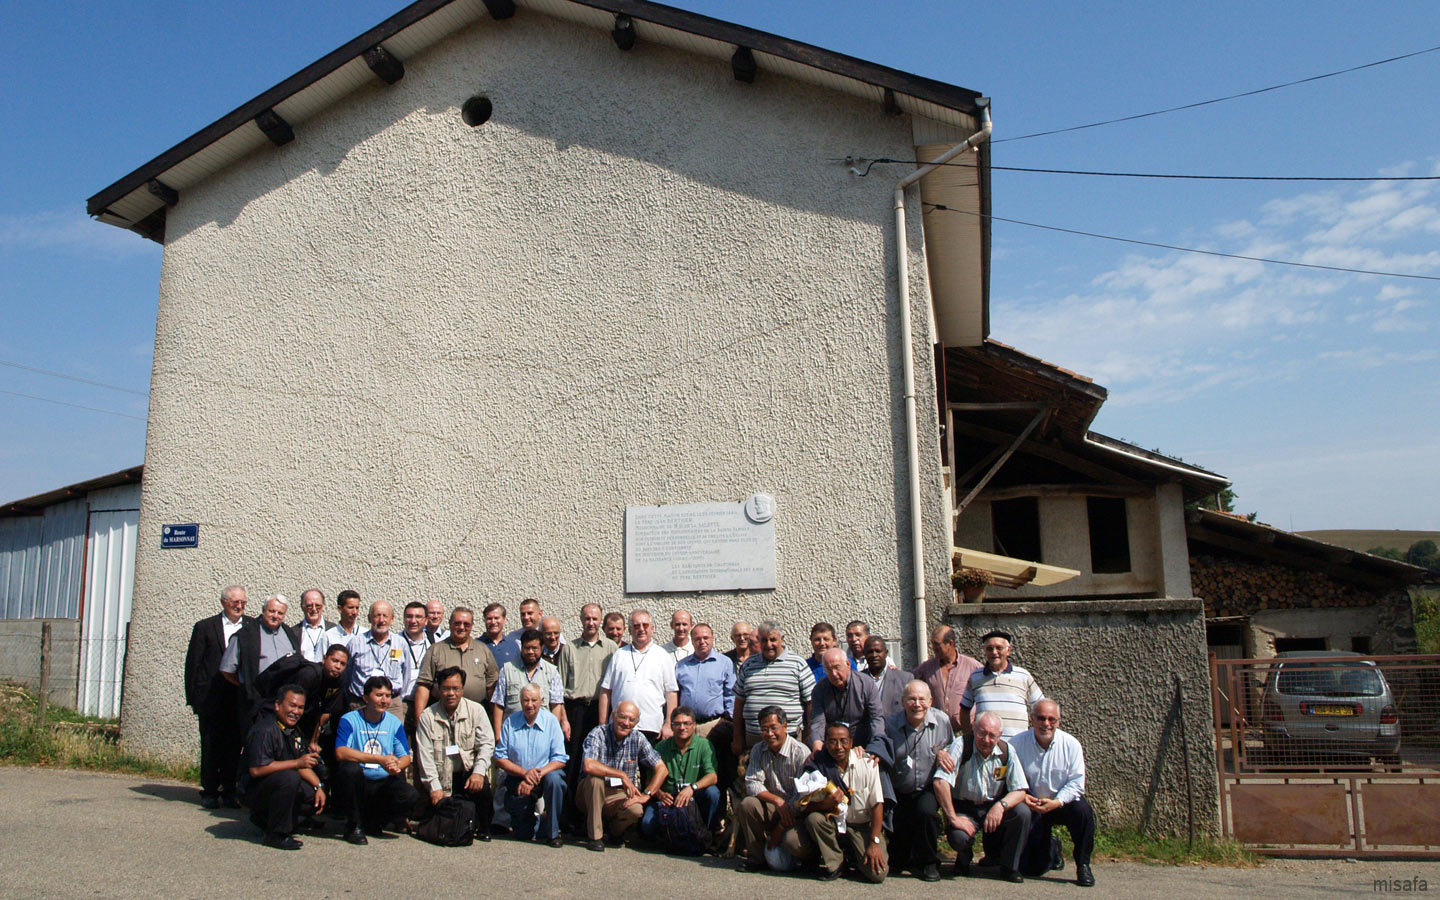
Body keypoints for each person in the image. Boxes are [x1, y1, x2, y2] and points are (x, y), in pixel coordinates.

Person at [934, 711, 1031, 882]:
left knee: (1022, 813)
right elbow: (940, 782)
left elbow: (1020, 790)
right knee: (959, 837)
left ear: (1000, 735)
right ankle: (964, 856)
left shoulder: (1007, 751)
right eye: (982, 733)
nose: (986, 740)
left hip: (992, 806)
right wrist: (953, 818)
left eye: (992, 735)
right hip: (964, 807)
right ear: (973, 729)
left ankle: (1010, 867)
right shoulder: (961, 745)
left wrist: (1001, 806)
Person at [1011, 699, 1095, 887]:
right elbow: (1010, 778)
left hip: (1061, 803)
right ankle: (1053, 848)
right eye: (1041, 718)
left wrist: (1057, 802)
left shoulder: (1071, 745)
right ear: (1032, 719)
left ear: (1059, 721)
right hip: (1032, 804)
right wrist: (1023, 796)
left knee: (1083, 812)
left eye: (1051, 719)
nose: (1046, 724)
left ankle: (1083, 865)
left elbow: (1076, 783)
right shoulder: (1016, 744)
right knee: (1032, 870)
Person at [185, 585, 251, 809]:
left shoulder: (251, 626)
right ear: (224, 602)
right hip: (211, 698)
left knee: (235, 746)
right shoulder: (205, 627)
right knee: (211, 745)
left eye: (243, 602)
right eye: (235, 603)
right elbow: (193, 663)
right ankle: (210, 790)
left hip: (238, 697)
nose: (239, 607)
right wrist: (193, 697)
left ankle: (230, 791)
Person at [333, 676, 419, 844]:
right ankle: (353, 826)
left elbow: (405, 757)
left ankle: (376, 822)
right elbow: (341, 752)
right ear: (365, 698)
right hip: (360, 781)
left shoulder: (394, 722)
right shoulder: (349, 719)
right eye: (379, 695)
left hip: (382, 781)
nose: (384, 700)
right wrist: (379, 759)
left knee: (410, 795)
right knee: (349, 769)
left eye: (387, 695)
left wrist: (395, 766)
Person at [239, 683, 325, 850]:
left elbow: (301, 763)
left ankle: (272, 820)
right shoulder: (265, 730)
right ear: (277, 705)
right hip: (252, 789)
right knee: (289, 777)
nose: (296, 711)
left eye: (300, 707)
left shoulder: (293, 730)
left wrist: (319, 787)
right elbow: (256, 770)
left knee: (311, 797)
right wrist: (296, 763)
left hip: (276, 784)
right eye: (292, 705)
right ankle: (276, 834)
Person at [800, 722, 888, 883]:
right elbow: (802, 806)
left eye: (843, 741)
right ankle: (837, 863)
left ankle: (854, 855)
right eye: (832, 741)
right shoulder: (818, 765)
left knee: (878, 874)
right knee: (815, 819)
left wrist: (874, 842)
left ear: (851, 743)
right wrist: (824, 804)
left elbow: (877, 805)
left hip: (862, 826)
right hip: (835, 823)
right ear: (825, 743)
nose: (838, 747)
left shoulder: (867, 763)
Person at [415, 667, 495, 841]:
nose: (451, 693)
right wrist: (434, 787)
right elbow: (424, 757)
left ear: (462, 689)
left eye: (455, 688)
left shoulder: (477, 710)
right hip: (441, 777)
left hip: (468, 774)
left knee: (483, 790)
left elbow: (487, 744)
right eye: (446, 688)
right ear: (438, 689)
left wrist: (479, 772)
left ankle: (484, 827)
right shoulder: (427, 717)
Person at [885, 680, 953, 882]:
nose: (917, 704)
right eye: (911, 699)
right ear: (903, 701)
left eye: (922, 699)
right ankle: (901, 857)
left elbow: (951, 748)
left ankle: (929, 862)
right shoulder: (890, 725)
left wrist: (944, 752)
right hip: (900, 786)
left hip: (927, 787)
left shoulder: (942, 721)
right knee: (897, 855)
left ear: (930, 701)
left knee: (926, 813)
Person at [579, 700, 667, 851]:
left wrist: (647, 794)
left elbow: (662, 769)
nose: (626, 723)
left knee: (636, 810)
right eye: (622, 717)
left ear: (636, 722)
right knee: (595, 780)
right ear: (613, 716)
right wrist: (621, 775)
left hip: (618, 793)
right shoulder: (598, 733)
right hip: (590, 791)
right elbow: (589, 765)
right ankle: (595, 837)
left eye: (631, 720)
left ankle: (614, 832)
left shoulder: (637, 738)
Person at [735, 705, 813, 871]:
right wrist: (777, 800)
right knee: (748, 804)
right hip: (774, 806)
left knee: (792, 842)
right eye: (764, 729)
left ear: (785, 727)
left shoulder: (800, 752)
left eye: (773, 728)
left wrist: (781, 827)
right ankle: (757, 858)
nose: (769, 734)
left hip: (797, 811)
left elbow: (803, 796)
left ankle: (808, 859)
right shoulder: (758, 749)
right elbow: (752, 783)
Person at [494, 683, 568, 846]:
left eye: (534, 700)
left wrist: (537, 775)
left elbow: (560, 759)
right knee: (523, 834)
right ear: (520, 701)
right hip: (518, 778)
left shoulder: (551, 722)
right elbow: (499, 758)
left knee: (555, 781)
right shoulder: (510, 722)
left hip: (545, 776)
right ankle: (540, 823)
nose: (530, 704)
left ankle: (553, 833)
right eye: (525, 700)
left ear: (541, 701)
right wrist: (524, 774)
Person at [564, 604, 618, 831]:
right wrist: (563, 718)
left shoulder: (612, 648)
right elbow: (560, 685)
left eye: (595, 619)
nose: (591, 622)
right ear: (581, 620)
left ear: (600, 621)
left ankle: (601, 818)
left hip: (600, 710)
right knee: (573, 762)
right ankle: (569, 818)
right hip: (575, 710)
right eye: (587, 618)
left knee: (600, 762)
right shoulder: (569, 649)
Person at [731, 621, 813, 756]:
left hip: (789, 738)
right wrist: (737, 737)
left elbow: (811, 703)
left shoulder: (798, 664)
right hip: (754, 738)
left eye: (773, 640)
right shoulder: (749, 665)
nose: (769, 645)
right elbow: (739, 703)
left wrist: (809, 736)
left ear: (782, 639)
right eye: (764, 640)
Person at [641, 706, 721, 842]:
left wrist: (692, 788)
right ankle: (669, 838)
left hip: (694, 799)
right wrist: (659, 794)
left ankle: (707, 835)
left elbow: (712, 777)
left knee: (713, 793)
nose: (682, 727)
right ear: (671, 726)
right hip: (669, 800)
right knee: (646, 825)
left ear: (694, 725)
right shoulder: (661, 747)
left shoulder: (704, 745)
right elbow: (649, 780)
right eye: (677, 724)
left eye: (687, 723)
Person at [599, 610, 678, 744]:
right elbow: (606, 691)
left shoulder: (662, 656)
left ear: (652, 629)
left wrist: (668, 723)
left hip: (652, 728)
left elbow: (671, 693)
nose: (641, 629)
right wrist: (603, 725)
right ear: (629, 630)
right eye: (636, 626)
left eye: (645, 625)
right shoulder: (619, 655)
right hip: (620, 727)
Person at [220, 594, 301, 723]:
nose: (275, 616)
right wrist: (247, 685)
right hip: (257, 702)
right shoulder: (245, 635)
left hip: (285, 703)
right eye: (271, 611)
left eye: (280, 613)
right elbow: (227, 671)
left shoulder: (289, 633)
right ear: (263, 610)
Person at [412, 607, 499, 718]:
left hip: (475, 715)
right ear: (450, 624)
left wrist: (495, 719)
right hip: (441, 714)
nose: (461, 627)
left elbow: (492, 687)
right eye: (457, 623)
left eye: (466, 624)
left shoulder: (483, 650)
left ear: (472, 626)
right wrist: (419, 718)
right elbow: (424, 685)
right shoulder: (436, 650)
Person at [960, 630, 1044, 738]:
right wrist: (969, 737)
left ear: (1009, 651)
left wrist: (1034, 736)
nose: (994, 652)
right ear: (985, 652)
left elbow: (1041, 707)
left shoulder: (1023, 676)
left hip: (1017, 745)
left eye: (999, 648)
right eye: (989, 649)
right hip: (986, 746)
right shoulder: (975, 677)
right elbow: (964, 710)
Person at [491, 628, 568, 741]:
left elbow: (556, 705)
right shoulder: (507, 670)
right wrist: (498, 735)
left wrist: (553, 734)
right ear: (521, 647)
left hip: (542, 734)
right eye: (527, 648)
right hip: (513, 733)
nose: (530, 652)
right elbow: (498, 704)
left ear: (542, 648)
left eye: (535, 648)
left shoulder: (552, 672)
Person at [807, 648, 885, 755]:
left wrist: (876, 747)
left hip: (863, 745)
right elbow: (818, 722)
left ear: (848, 664)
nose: (834, 674)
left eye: (837, 668)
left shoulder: (866, 684)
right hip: (833, 748)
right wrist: (817, 746)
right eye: (829, 670)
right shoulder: (819, 689)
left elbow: (876, 718)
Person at [344, 600, 411, 719]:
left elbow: (406, 673)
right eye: (377, 615)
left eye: (385, 616)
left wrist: (399, 698)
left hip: (392, 706)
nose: (381, 620)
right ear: (369, 618)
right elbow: (347, 674)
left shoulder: (400, 643)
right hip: (361, 704)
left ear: (392, 619)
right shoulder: (355, 643)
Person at [912, 626, 982, 733]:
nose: (933, 648)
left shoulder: (973, 667)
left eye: (937, 644)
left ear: (950, 643)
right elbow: (909, 681)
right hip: (937, 731)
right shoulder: (926, 668)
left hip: (965, 731)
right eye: (932, 644)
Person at [861, 636, 911, 718]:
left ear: (886, 653)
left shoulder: (905, 679)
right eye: (870, 652)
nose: (874, 655)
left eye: (878, 651)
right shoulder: (857, 679)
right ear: (864, 654)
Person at [398, 602, 431, 712]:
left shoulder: (433, 643)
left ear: (426, 620)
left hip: (427, 705)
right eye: (409, 616)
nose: (413, 621)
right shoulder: (394, 642)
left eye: (418, 617)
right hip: (400, 704)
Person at [291, 589, 333, 663]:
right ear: (302, 607)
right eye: (309, 606)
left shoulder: (333, 629)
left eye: (317, 605)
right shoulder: (293, 632)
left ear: (323, 606)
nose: (314, 609)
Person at [479, 602, 520, 667]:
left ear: (504, 620)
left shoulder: (513, 646)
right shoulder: (477, 645)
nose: (493, 622)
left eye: (496, 618)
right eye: (489, 618)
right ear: (485, 620)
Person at [538, 616, 573, 689]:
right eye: (548, 634)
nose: (553, 637)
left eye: (556, 633)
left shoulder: (568, 652)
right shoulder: (537, 654)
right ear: (541, 634)